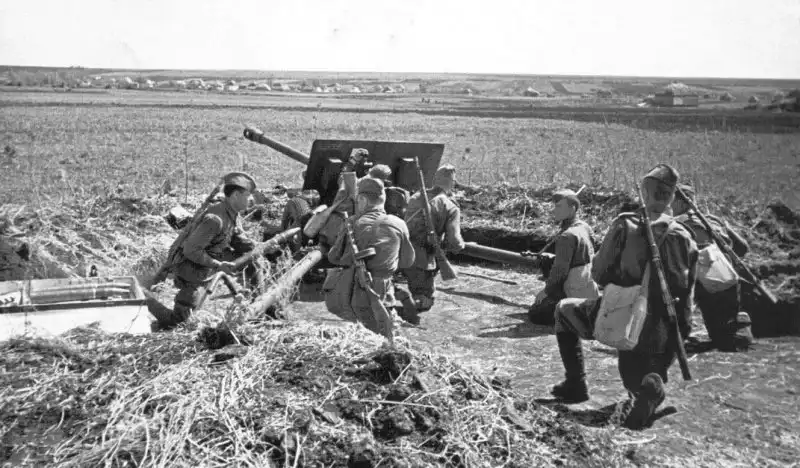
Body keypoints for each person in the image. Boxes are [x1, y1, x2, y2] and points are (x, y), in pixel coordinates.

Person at [550, 164, 699, 430]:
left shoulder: (626, 224)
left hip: (625, 315)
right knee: (643, 372)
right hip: (666, 327)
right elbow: (688, 292)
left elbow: (598, 273)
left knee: (564, 310)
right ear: (671, 197)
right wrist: (683, 330)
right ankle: (651, 385)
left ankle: (576, 385)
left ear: (645, 192)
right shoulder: (686, 235)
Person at [161, 172, 260, 327]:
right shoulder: (215, 219)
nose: (251, 199)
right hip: (193, 267)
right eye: (247, 195)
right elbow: (191, 250)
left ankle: (257, 300)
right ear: (235, 195)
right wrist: (218, 265)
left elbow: (237, 239)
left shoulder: (231, 213)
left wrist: (260, 247)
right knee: (182, 321)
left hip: (211, 257)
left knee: (253, 258)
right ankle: (148, 301)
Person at [325, 177, 415, 334]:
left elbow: (333, 257)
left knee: (366, 332)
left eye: (358, 200)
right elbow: (407, 262)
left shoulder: (352, 223)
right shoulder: (399, 224)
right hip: (385, 291)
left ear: (363, 200)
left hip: (354, 292)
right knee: (385, 331)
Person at [671, 183, 753, 351]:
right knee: (724, 338)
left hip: (707, 288)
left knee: (722, 339)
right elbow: (742, 248)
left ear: (680, 203)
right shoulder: (713, 220)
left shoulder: (676, 225)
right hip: (730, 283)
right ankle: (739, 330)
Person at [528, 189, 600, 325]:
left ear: (573, 208)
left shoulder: (567, 236)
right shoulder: (585, 227)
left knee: (535, 313)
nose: (554, 210)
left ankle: (570, 314)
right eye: (555, 206)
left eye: (559, 206)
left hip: (574, 294)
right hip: (589, 289)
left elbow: (560, 271)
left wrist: (546, 291)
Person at [403, 164, 466, 311]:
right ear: (451, 183)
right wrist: (461, 245)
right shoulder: (450, 206)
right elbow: (454, 241)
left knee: (415, 287)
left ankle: (400, 296)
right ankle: (405, 301)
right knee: (425, 301)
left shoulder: (415, 197)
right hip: (424, 260)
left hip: (403, 254)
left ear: (435, 180)